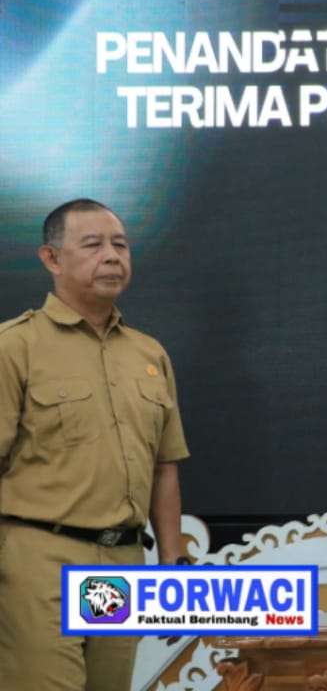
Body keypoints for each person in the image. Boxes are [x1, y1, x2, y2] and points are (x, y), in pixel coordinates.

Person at [0, 198, 190, 691]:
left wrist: (173, 563)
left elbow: (164, 466)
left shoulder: (149, 353)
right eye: (93, 245)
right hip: (40, 558)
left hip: (122, 562)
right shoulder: (14, 347)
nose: (111, 256)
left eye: (120, 245)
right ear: (51, 258)